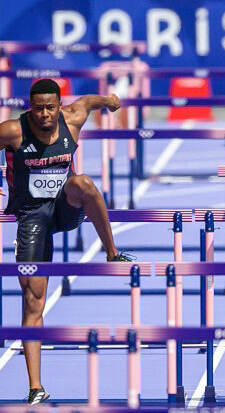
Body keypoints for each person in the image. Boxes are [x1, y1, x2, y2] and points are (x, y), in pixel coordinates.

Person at [0, 79, 133, 404]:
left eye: (50, 107)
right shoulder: (13, 131)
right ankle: (36, 386)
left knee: (83, 183)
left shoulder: (73, 117)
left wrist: (111, 100)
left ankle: (112, 252)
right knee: (33, 300)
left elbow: (90, 100)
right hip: (31, 216)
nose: (45, 114)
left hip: (65, 207)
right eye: (38, 108)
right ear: (29, 108)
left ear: (60, 107)